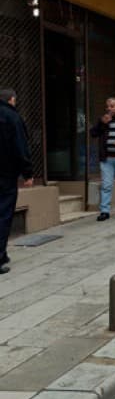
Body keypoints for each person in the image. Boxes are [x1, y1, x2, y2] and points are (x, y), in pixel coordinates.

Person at [0, 88, 33, 275]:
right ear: (12, 100)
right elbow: (20, 147)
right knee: (3, 214)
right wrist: (27, 173)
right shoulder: (12, 117)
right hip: (5, 175)